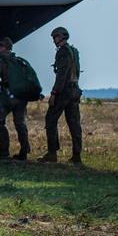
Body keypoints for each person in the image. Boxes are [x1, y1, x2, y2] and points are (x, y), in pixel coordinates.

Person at [39, 26, 84, 164]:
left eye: (55, 38)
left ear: (60, 37)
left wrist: (54, 93)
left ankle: (52, 153)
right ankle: (77, 155)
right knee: (74, 123)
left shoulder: (63, 52)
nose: (54, 41)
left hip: (64, 91)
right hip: (74, 90)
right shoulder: (74, 51)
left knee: (51, 120)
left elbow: (61, 75)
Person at [0, 37, 31, 160]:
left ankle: (4, 148)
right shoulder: (18, 61)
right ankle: (24, 151)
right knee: (20, 123)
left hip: (9, 96)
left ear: (2, 47)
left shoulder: (0, 61)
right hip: (22, 96)